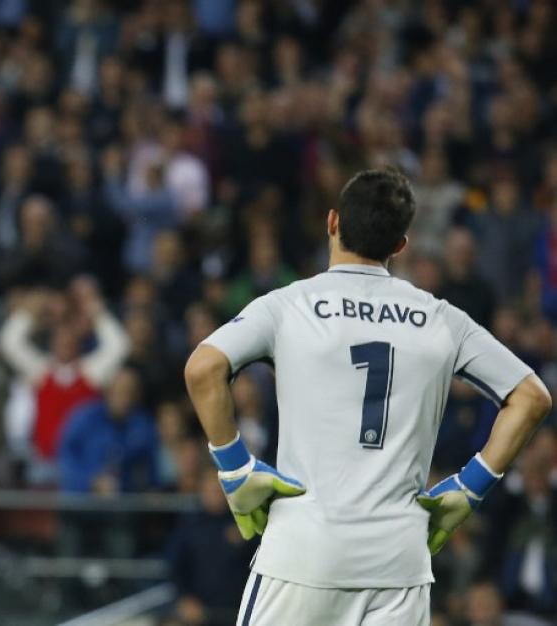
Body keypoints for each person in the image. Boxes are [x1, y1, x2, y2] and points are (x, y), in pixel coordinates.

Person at [184, 169, 552, 625]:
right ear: (400, 246)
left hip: (303, 554)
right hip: (398, 563)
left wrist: (236, 468)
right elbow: (531, 396)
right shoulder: (441, 319)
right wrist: (471, 486)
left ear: (333, 222)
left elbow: (203, 369)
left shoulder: (289, 305)